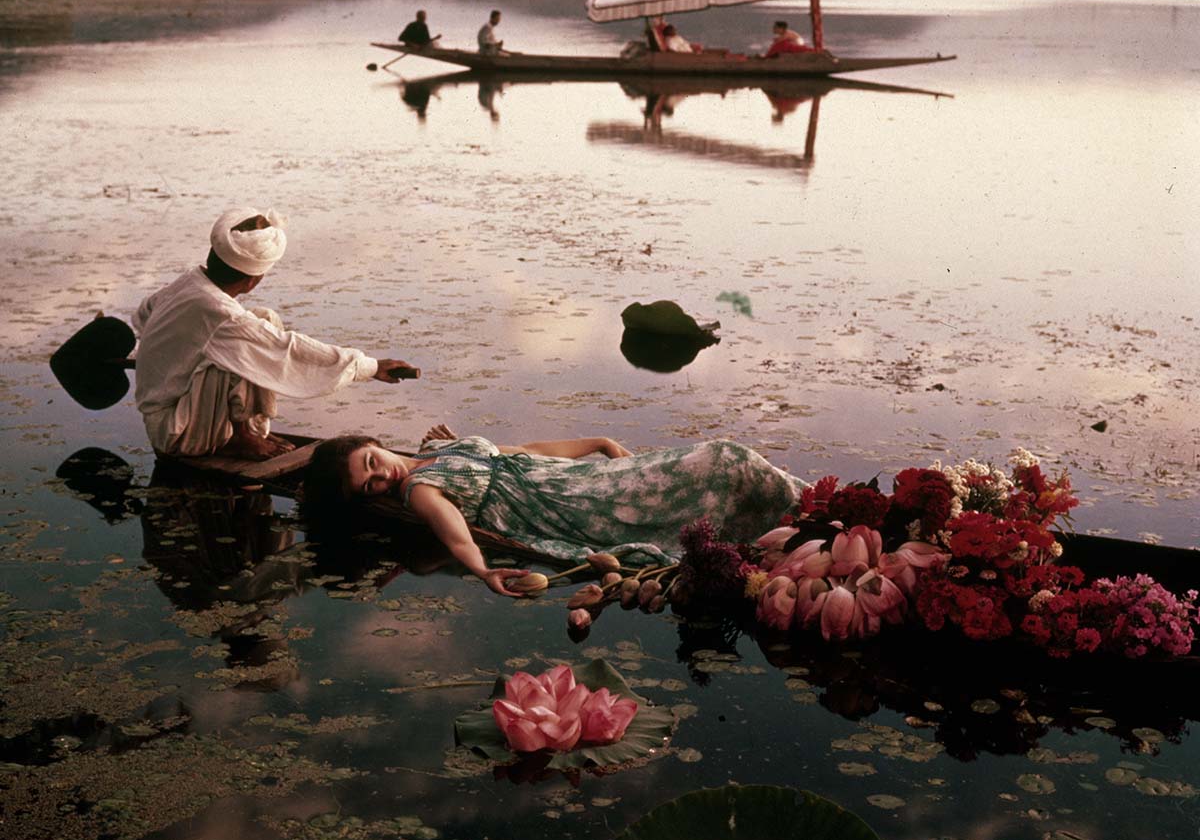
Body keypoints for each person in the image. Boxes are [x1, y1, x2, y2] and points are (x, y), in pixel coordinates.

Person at [302, 427, 802, 596]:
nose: (379, 475)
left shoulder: (437, 449)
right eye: (367, 485)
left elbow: (517, 452)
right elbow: (454, 533)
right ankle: (801, 528)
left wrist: (596, 443)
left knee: (721, 457)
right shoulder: (420, 491)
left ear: (373, 442)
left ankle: (811, 511)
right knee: (719, 459)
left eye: (371, 462)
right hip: (567, 508)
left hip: (575, 481)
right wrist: (482, 571)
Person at [132, 207, 416, 461]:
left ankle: (247, 429)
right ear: (254, 279)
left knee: (262, 320)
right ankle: (240, 438)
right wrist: (371, 367)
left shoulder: (188, 282)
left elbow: (144, 316)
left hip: (166, 415)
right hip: (177, 433)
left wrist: (166, 353)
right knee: (248, 347)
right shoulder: (220, 314)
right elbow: (286, 349)